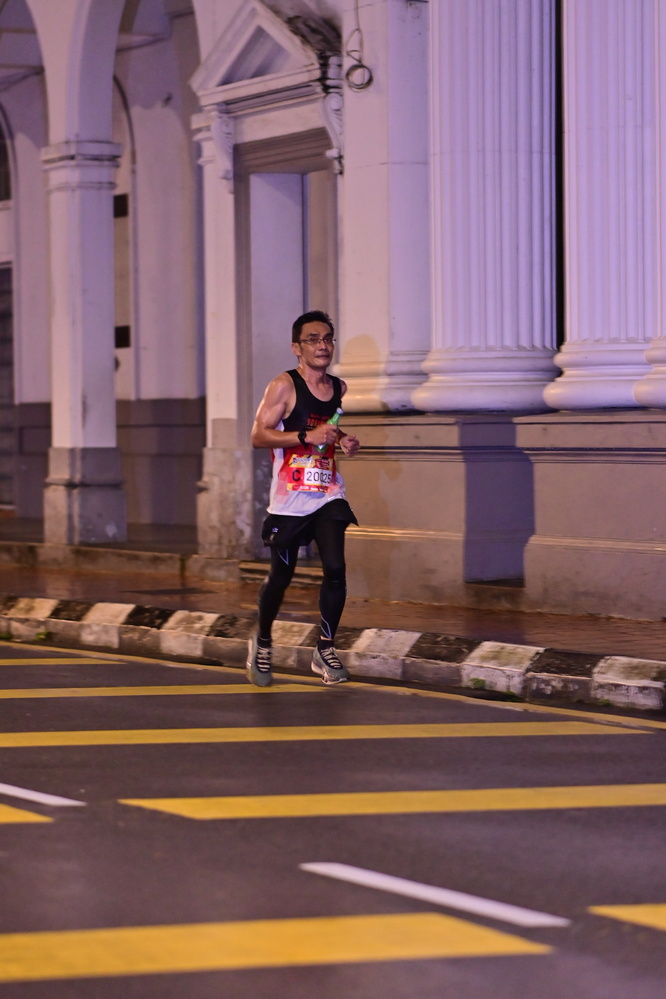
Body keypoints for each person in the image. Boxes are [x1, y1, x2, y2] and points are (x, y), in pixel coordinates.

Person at [247, 310, 361, 687]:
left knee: (336, 568)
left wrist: (342, 439)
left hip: (327, 493)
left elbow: (327, 426)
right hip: (290, 500)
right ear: (297, 348)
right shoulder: (283, 386)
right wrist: (304, 438)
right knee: (281, 576)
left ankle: (325, 648)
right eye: (313, 339)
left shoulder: (339, 388)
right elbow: (258, 436)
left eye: (327, 338)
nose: (322, 345)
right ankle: (263, 641)